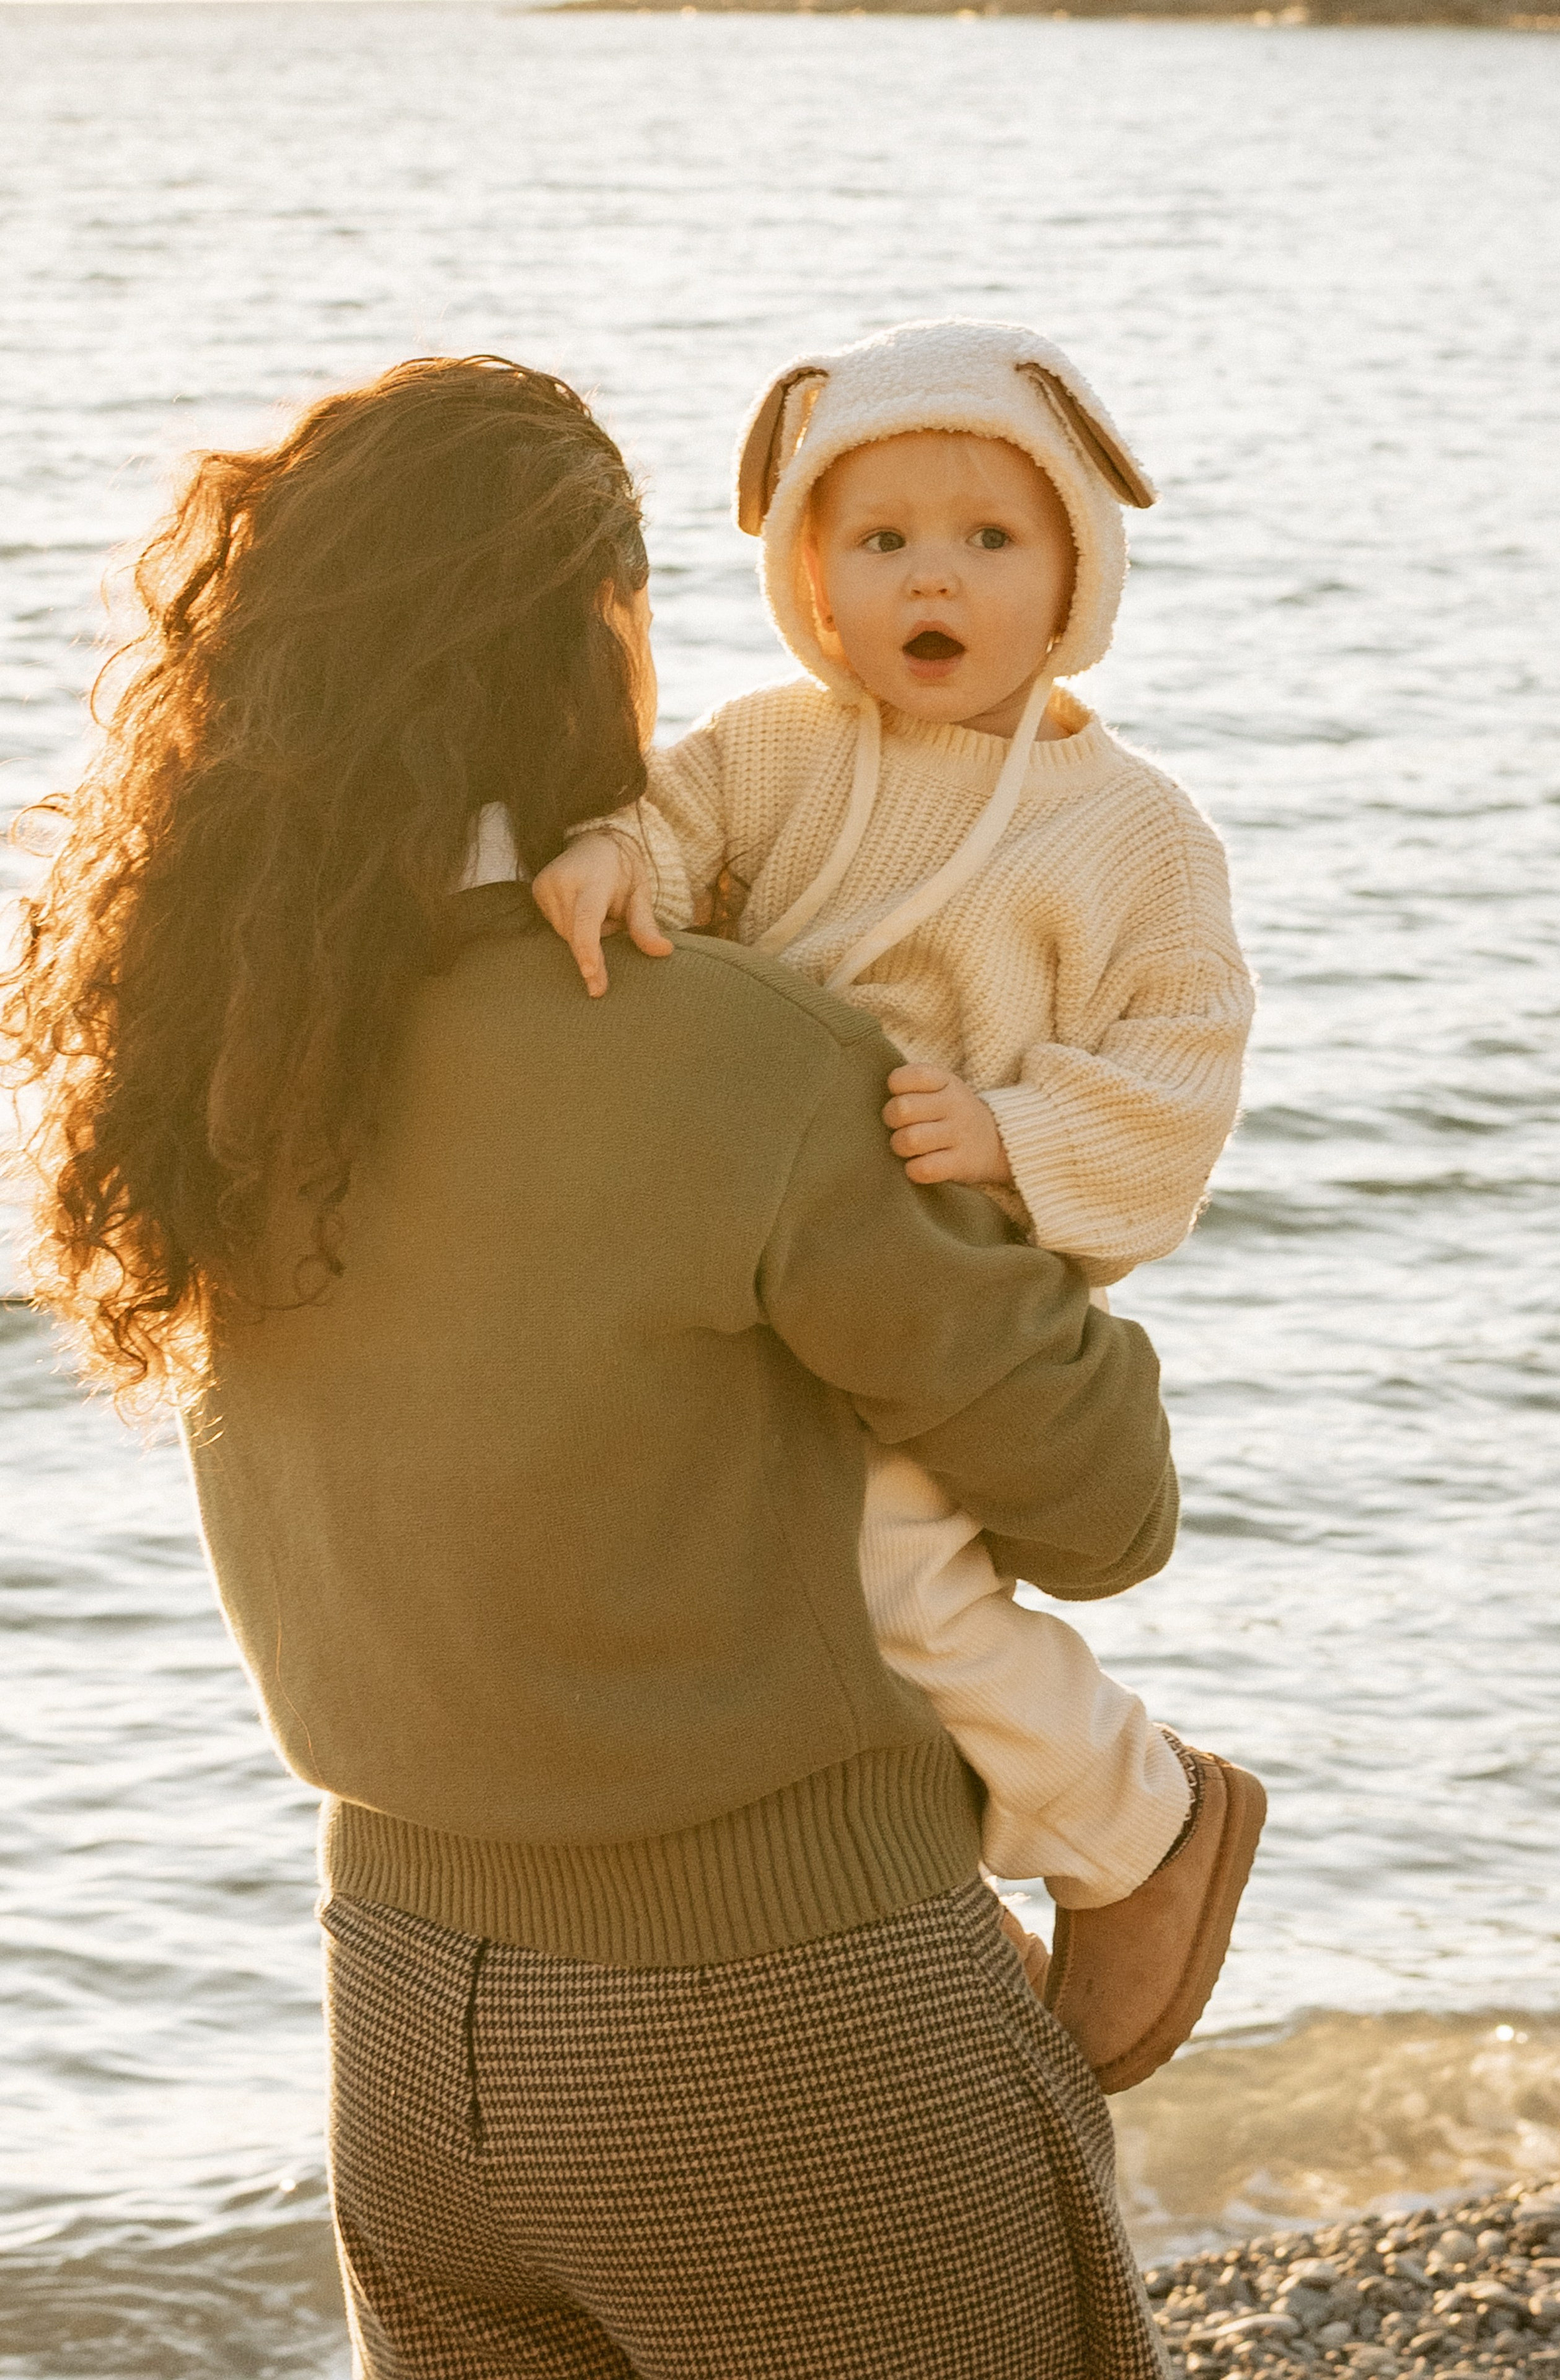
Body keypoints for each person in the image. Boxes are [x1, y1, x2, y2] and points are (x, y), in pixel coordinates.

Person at [1, 351, 1216, 2378]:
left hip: (403, 2035)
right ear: (594, 635)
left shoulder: (233, 1054)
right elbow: (1106, 1508)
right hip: (787, 2029)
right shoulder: (742, 1055)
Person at [531, 318, 1259, 1916]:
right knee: (751, 1597)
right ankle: (916, 1889)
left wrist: (1015, 1133)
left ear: (1075, 575)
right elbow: (673, 823)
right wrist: (613, 854)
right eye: (881, 543)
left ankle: (1138, 1826)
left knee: (905, 1587)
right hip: (749, 1262)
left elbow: (1184, 1059)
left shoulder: (1134, 836)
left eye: (991, 539)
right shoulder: (777, 748)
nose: (934, 579)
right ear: (811, 573)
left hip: (950, 1274)